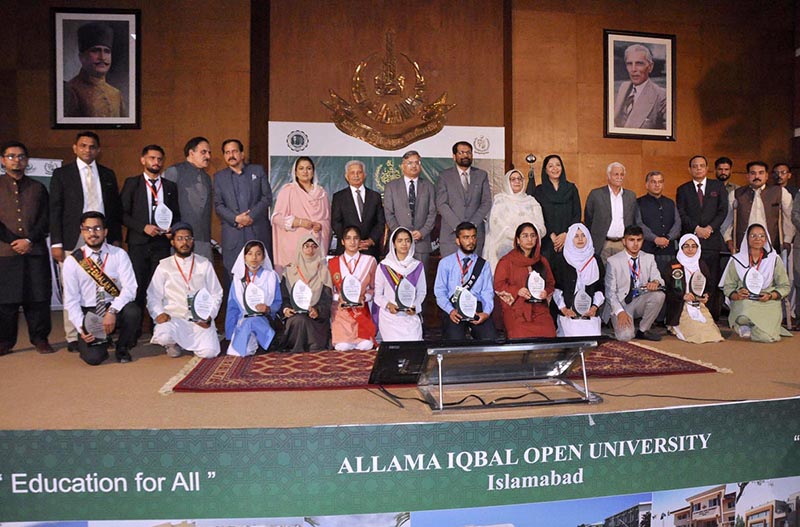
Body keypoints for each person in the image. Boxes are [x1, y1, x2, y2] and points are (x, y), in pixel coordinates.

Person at [50, 131, 123, 352]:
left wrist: (117, 238)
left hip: (102, 236)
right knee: (72, 287)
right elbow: (55, 210)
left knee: (105, 284)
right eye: (83, 146)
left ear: (98, 150)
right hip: (75, 236)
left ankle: (103, 330)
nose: (87, 150)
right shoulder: (62, 174)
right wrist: (56, 243)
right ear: (75, 148)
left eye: (92, 146)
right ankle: (74, 335)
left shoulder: (108, 174)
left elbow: (115, 210)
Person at [62, 212, 140, 365]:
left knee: (133, 311)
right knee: (94, 358)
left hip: (113, 306)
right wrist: (81, 327)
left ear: (105, 231)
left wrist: (112, 311)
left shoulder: (119, 254)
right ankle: (103, 340)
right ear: (82, 232)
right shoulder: (72, 261)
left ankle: (122, 347)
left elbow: (130, 288)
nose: (92, 233)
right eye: (88, 229)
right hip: (90, 311)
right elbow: (71, 300)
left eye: (97, 228)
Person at [0, 141, 54, 355]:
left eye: (21, 156)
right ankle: (4, 341)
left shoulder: (38, 187)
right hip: (4, 252)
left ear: (27, 161)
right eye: (11, 156)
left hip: (35, 251)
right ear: (3, 160)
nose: (17, 160)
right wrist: (15, 241)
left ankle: (40, 338)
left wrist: (29, 240)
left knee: (38, 297)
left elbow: (45, 219)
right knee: (6, 300)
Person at [120, 145, 180, 327]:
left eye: (159, 159)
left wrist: (172, 230)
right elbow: (121, 214)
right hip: (138, 243)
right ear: (143, 160)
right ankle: (133, 331)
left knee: (160, 289)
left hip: (162, 245)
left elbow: (176, 214)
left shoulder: (170, 186)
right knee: (137, 288)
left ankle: (160, 329)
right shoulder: (132, 183)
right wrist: (142, 227)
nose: (156, 162)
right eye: (152, 158)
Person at [146, 222, 222, 358]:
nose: (184, 242)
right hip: (174, 318)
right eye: (180, 238)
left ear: (193, 241)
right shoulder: (164, 266)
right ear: (172, 242)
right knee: (163, 336)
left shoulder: (204, 264)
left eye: (188, 238)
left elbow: (216, 293)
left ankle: (192, 342)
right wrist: (158, 313)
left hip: (199, 320)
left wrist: (210, 315)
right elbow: (153, 295)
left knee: (210, 353)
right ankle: (172, 343)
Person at [676, 155, 728, 320]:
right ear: (690, 169)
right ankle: (689, 316)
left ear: (707, 169)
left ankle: (711, 316)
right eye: (695, 166)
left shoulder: (717, 187)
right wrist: (696, 229)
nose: (698, 168)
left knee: (711, 279)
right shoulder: (683, 189)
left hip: (711, 241)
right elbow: (681, 213)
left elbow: (722, 211)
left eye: (702, 166)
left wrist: (709, 229)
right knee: (689, 280)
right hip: (691, 242)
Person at [722, 224, 791, 342]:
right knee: (744, 316)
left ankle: (759, 327)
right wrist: (737, 295)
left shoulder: (774, 260)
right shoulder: (737, 260)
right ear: (747, 239)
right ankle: (748, 324)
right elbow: (728, 287)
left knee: (767, 338)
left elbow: (784, 286)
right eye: (753, 235)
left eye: (761, 236)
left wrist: (770, 295)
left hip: (768, 302)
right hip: (745, 301)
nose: (757, 239)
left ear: (766, 239)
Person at [213, 139, 273, 276]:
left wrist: (250, 217)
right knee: (234, 276)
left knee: (262, 275)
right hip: (234, 234)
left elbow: (267, 197)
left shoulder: (257, 171)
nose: (231, 155)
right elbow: (218, 205)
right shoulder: (219, 177)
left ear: (242, 154)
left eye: (234, 151)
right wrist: (236, 219)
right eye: (227, 152)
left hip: (257, 230)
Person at [434, 222, 496, 340]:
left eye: (473, 237)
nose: (470, 241)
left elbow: (487, 292)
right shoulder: (446, 263)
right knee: (454, 341)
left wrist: (486, 313)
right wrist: (450, 310)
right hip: (454, 307)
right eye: (466, 237)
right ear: (458, 241)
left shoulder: (483, 265)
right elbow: (440, 292)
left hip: (476, 307)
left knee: (490, 339)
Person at [493, 223, 556, 338]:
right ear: (517, 240)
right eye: (525, 236)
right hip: (517, 310)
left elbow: (551, 283)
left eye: (533, 236)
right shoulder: (507, 261)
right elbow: (498, 285)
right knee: (520, 334)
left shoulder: (542, 261)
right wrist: (517, 291)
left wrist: (545, 292)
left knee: (549, 332)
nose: (529, 239)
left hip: (539, 309)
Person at [603, 225, 665, 342]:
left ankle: (643, 330)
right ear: (624, 241)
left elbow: (659, 279)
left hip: (640, 300)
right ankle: (617, 322)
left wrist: (655, 282)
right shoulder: (613, 261)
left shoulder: (649, 258)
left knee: (659, 295)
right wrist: (620, 312)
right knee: (625, 336)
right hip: (621, 304)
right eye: (631, 240)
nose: (635, 244)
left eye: (639, 240)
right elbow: (610, 293)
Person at [271, 157, 331, 275]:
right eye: (301, 168)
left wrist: (320, 226)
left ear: (313, 172)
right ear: (296, 172)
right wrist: (298, 222)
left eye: (308, 168)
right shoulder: (288, 190)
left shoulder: (321, 193)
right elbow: (276, 218)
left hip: (315, 247)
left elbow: (327, 221)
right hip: (293, 248)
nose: (305, 172)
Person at [224, 240, 282, 356]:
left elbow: (278, 302)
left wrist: (268, 309)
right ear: (244, 257)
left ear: (264, 257)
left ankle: (267, 339)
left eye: (258, 254)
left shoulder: (271, 276)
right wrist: (230, 334)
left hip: (265, 319)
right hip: (243, 320)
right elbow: (233, 308)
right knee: (242, 349)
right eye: (250, 253)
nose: (254, 257)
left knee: (253, 323)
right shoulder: (238, 279)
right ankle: (268, 340)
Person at [483, 168, 546, 273]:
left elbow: (541, 227)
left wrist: (527, 238)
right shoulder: (500, 201)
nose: (517, 181)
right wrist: (518, 238)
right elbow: (496, 225)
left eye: (519, 179)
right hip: (504, 249)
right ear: (507, 182)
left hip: (528, 250)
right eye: (513, 179)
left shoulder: (532, 201)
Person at [435, 142, 492, 257]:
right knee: (452, 272)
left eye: (468, 152)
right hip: (451, 236)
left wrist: (471, 225)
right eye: (461, 152)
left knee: (473, 272)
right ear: (454, 156)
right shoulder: (444, 176)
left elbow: (486, 202)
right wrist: (459, 227)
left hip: (475, 236)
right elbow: (441, 204)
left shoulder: (481, 175)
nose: (465, 155)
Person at [724, 161, 794, 254]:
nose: (757, 176)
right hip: (744, 244)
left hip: (771, 243)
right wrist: (728, 239)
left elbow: (789, 218)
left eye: (761, 173)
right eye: (753, 173)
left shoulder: (780, 192)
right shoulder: (736, 194)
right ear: (747, 176)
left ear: (767, 176)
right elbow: (728, 220)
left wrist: (787, 240)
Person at [665, 234, 723, 343]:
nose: (690, 249)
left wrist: (706, 295)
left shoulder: (701, 264)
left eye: (693, 246)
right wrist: (683, 296)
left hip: (698, 304)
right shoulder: (673, 265)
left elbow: (709, 285)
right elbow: (668, 289)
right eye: (686, 246)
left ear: (698, 248)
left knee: (712, 333)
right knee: (696, 333)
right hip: (681, 306)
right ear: (681, 247)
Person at [383, 151, 437, 268]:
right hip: (399, 244)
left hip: (421, 244)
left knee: (421, 282)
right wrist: (401, 235)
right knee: (397, 283)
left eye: (417, 162)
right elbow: (388, 213)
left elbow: (432, 213)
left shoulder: (428, 186)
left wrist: (422, 232)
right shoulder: (391, 187)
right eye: (410, 163)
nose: (414, 166)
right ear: (402, 166)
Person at [279, 235, 332, 352]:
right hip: (295, 314)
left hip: (316, 318)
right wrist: (286, 309)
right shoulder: (289, 271)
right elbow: (283, 297)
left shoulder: (323, 271)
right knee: (298, 320)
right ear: (300, 248)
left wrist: (317, 310)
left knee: (303, 320)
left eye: (314, 246)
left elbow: (327, 300)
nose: (310, 250)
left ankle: (309, 345)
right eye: (306, 246)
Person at [164, 137, 214, 260]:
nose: (208, 156)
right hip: (180, 238)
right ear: (191, 153)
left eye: (209, 152)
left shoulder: (207, 177)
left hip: (203, 238)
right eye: (204, 152)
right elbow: (164, 203)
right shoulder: (174, 171)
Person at [328, 226, 377, 351]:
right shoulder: (332, 263)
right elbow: (329, 290)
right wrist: (339, 298)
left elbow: (374, 288)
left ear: (360, 241)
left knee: (366, 345)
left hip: (362, 310)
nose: (352, 242)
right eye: (348, 238)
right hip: (341, 312)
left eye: (356, 238)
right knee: (342, 347)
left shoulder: (369, 261)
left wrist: (364, 297)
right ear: (342, 242)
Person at [552, 223, 605, 337]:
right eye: (576, 236)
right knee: (572, 339)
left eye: (583, 235)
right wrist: (564, 309)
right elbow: (556, 288)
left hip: (589, 313)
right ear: (570, 238)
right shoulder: (561, 259)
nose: (580, 239)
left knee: (592, 339)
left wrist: (594, 308)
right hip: (567, 312)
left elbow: (600, 288)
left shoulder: (595, 259)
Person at [63, 22, 126, 118]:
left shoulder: (116, 94)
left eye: (107, 51)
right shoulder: (70, 90)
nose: (102, 57)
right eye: (95, 50)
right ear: (82, 57)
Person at [374, 227, 426, 341]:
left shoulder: (417, 266)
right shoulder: (384, 266)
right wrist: (388, 305)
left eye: (407, 240)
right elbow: (377, 295)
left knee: (414, 346)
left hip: (410, 316)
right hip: (390, 317)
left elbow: (422, 292)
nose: (404, 244)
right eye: (400, 240)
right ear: (393, 244)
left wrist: (415, 307)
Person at [584, 162, 639, 264]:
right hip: (603, 243)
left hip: (623, 244)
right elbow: (588, 218)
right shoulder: (596, 194)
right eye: (616, 174)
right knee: (603, 276)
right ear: (608, 176)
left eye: (621, 174)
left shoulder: (631, 196)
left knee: (623, 276)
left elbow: (634, 220)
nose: (619, 177)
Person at [532, 154, 581, 265]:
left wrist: (566, 234)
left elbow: (577, 214)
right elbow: (537, 216)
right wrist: (552, 235)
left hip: (569, 239)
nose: (555, 169)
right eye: (551, 166)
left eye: (558, 165)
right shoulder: (539, 191)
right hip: (547, 240)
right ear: (545, 170)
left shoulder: (571, 188)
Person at [331, 160, 385, 259]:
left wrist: (371, 240)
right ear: (346, 176)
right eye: (352, 173)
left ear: (364, 175)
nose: (356, 175)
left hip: (369, 249)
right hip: (346, 250)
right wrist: (350, 241)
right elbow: (336, 223)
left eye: (359, 172)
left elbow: (380, 222)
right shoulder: (339, 197)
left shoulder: (375, 196)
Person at [637, 170, 681, 279]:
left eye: (660, 182)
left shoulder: (670, 202)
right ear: (646, 185)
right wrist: (655, 239)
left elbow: (678, 224)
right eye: (653, 182)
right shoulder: (639, 202)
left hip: (668, 251)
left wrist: (667, 238)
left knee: (669, 282)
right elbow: (639, 223)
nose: (657, 185)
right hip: (647, 250)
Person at [613, 43, 667, 129]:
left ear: (650, 67)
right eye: (629, 64)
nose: (633, 69)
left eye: (639, 63)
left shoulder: (662, 96)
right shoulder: (624, 87)